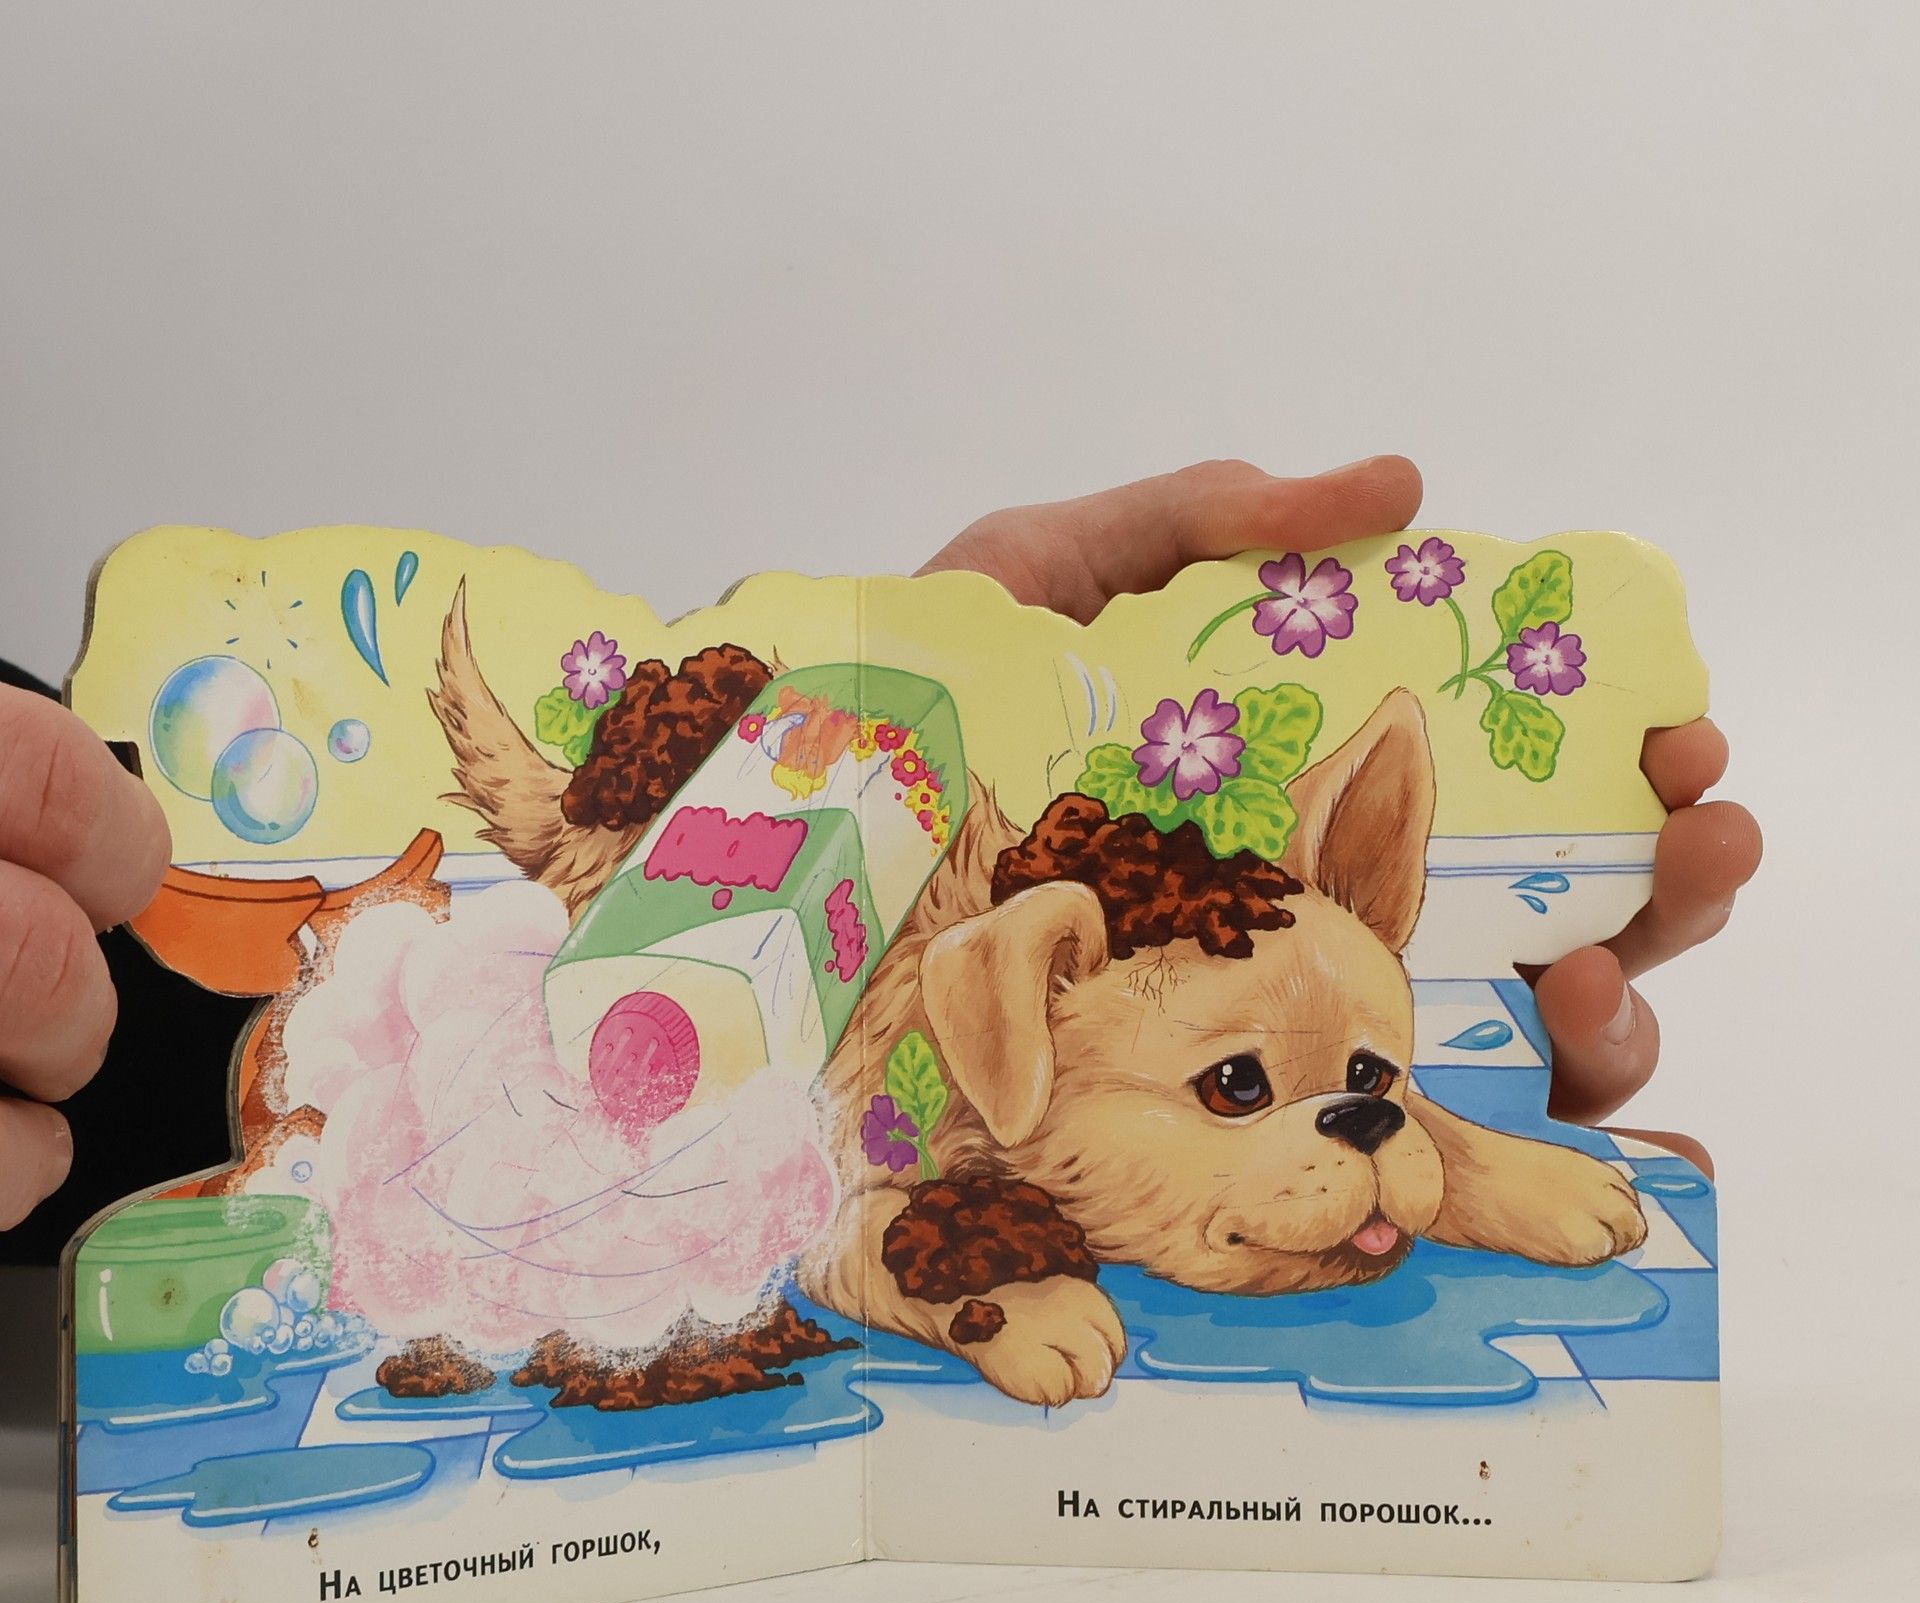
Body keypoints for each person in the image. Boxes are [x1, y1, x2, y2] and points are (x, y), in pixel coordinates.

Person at [0, 456, 1761, 1253]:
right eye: (1237, 1088)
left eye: (1377, 1088)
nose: (1361, 1123)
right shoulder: (935, 1060)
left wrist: (975, 666)